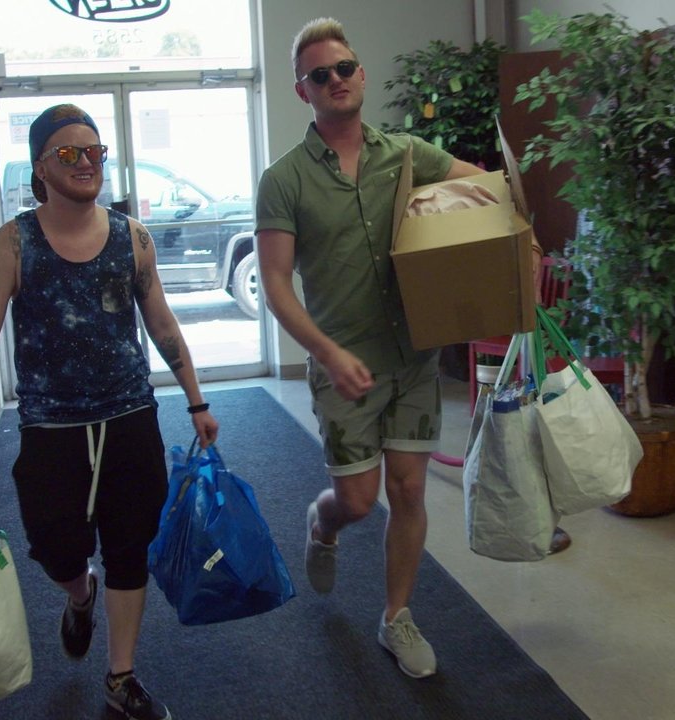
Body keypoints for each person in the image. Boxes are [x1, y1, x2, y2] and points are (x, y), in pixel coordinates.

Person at [254, 18, 520, 679]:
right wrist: (326, 351)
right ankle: (322, 524)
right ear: (302, 91)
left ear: (361, 73)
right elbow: (276, 285)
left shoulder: (406, 155)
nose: (336, 80)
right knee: (356, 499)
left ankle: (396, 616)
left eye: (344, 67)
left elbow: (485, 192)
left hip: (413, 356)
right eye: (320, 75)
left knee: (407, 489)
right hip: (342, 365)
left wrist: (512, 233)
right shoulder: (284, 179)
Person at [0, 103, 217, 720]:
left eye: (94, 151)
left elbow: (162, 324)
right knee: (54, 547)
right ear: (41, 166)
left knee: (130, 547)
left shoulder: (132, 237)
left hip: (129, 415)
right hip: (50, 425)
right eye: (69, 153)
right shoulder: (16, 242)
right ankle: (78, 591)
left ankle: (121, 677)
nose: (86, 162)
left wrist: (196, 399)